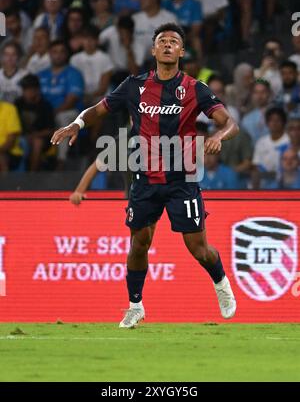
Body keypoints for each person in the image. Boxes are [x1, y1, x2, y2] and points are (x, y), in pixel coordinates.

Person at [51, 22, 239, 328]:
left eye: (173, 41)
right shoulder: (134, 85)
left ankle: (221, 285)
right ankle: (135, 305)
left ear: (181, 51)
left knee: (199, 249)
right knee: (139, 243)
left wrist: (220, 135)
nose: (167, 45)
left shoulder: (194, 88)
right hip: (145, 180)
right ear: (153, 50)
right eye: (162, 41)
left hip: (182, 180)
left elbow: (230, 122)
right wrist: (76, 125)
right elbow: (98, 109)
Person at [38, 40, 84, 168]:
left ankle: (61, 160)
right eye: (54, 52)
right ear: (49, 53)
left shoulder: (74, 73)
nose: (58, 55)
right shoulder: (41, 74)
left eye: (62, 52)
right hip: (46, 113)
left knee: (62, 118)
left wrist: (52, 113)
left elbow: (71, 100)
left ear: (67, 54)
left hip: (69, 112)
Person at [15, 74, 55, 171]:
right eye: (24, 90)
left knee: (37, 142)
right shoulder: (18, 103)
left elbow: (50, 130)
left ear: (36, 90)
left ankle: (32, 175)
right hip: (21, 136)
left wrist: (34, 135)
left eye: (28, 90)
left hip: (42, 139)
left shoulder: (45, 106)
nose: (25, 93)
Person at [0, 99, 23, 172]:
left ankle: (5, 183)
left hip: (9, 151)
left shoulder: (9, 109)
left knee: (1, 157)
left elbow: (11, 140)